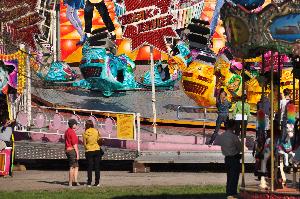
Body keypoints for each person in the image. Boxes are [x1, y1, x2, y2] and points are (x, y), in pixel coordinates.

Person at [218, 119, 242, 199]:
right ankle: (232, 193)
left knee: (229, 177)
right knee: (234, 177)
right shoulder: (234, 137)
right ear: (234, 126)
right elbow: (240, 148)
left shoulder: (222, 135)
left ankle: (229, 192)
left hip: (227, 158)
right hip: (234, 158)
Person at [83, 120, 102, 187]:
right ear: (92, 124)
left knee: (90, 167)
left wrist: (87, 148)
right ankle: (97, 182)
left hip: (89, 151)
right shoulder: (96, 131)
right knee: (97, 167)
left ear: (86, 125)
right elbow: (99, 140)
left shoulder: (85, 133)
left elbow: (84, 144)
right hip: (97, 150)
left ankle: (89, 182)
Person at [64, 119, 80, 187]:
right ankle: (70, 182)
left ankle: (75, 181)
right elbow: (74, 144)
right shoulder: (72, 132)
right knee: (72, 167)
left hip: (67, 149)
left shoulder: (67, 131)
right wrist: (77, 153)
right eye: (76, 124)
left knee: (76, 166)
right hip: (72, 150)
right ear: (73, 124)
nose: (76, 125)